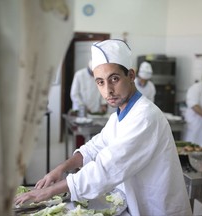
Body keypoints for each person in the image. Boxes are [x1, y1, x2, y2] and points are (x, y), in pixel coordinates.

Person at [15, 39, 192, 215]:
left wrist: (48, 192)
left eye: (114, 79)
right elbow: (95, 147)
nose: (108, 91)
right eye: (100, 82)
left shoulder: (145, 117)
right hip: (137, 203)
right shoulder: (121, 114)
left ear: (131, 76)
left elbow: (107, 168)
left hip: (158, 209)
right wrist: (60, 168)